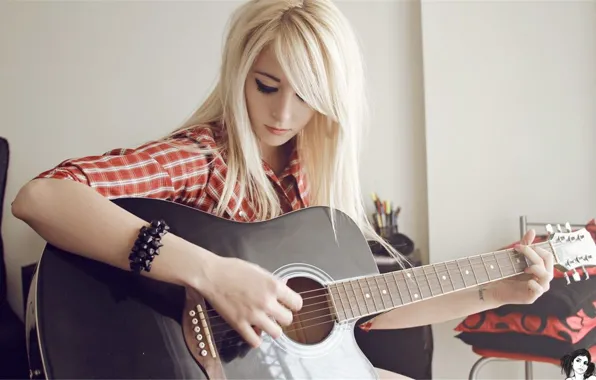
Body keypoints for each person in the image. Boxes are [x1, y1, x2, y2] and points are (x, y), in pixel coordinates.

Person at [11, 0, 554, 378]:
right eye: (266, 86)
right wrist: (212, 273)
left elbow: (364, 307)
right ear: (239, 72)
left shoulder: (311, 183)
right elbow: (41, 197)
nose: (283, 113)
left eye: (306, 95)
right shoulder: (205, 159)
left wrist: (495, 292)